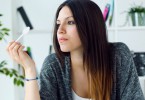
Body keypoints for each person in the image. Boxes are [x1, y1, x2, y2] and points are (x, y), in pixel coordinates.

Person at [6, 0, 144, 100]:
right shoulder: (54, 65)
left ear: (91, 26)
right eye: (58, 23)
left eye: (70, 22)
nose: (60, 30)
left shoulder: (118, 55)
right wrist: (29, 69)